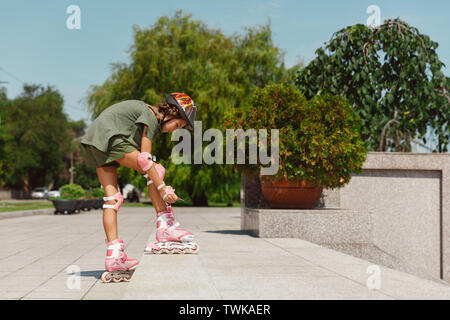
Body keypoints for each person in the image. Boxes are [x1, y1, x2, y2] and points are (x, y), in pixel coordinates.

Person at [80, 92, 198, 283]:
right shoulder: (151, 115)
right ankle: (165, 227)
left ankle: (114, 256)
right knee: (156, 169)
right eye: (177, 125)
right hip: (111, 137)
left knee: (112, 200)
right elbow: (145, 159)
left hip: (95, 140)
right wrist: (164, 189)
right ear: (171, 113)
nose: (174, 131)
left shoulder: (147, 113)